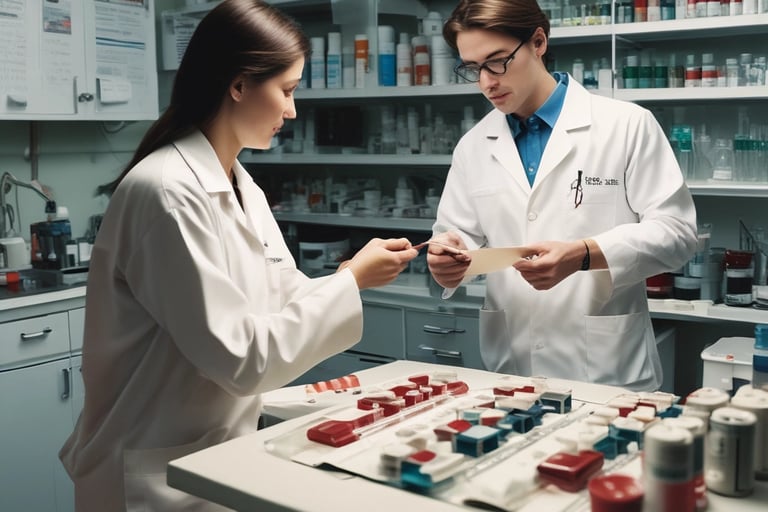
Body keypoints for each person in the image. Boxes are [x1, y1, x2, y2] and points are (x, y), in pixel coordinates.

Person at [59, 1, 417, 510]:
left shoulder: (238, 183)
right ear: (240, 84)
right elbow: (240, 357)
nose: (293, 110)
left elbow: (281, 297)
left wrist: (348, 273)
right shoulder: (165, 191)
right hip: (150, 474)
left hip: (213, 459)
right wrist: (351, 283)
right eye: (287, 90)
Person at [427, 0, 697, 392]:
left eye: (497, 61)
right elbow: (454, 237)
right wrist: (446, 261)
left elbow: (677, 234)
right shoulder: (473, 146)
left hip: (607, 371)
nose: (486, 82)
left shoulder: (626, 125)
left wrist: (584, 254)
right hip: (512, 371)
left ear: (538, 42)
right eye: (473, 68)